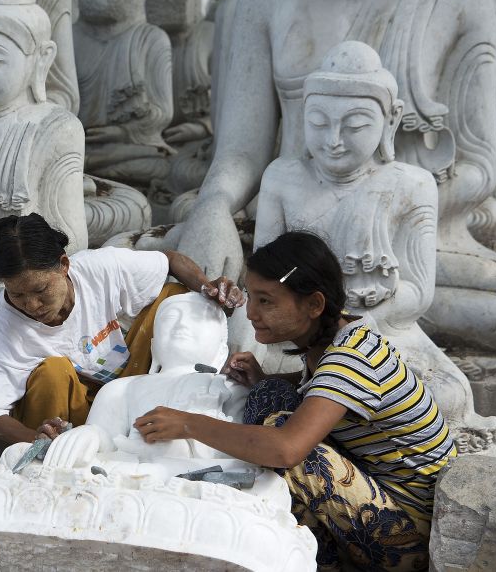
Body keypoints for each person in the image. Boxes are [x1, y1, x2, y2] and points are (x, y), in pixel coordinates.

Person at [135, 231, 455, 572]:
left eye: (266, 301)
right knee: (269, 396)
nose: (251, 313)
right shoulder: (334, 341)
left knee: (292, 447)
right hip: (382, 492)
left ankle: (322, 561)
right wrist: (264, 381)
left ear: (314, 304)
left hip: (412, 533)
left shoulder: (350, 359)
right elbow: (320, 390)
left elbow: (288, 449)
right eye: (252, 298)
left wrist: (188, 423)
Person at [0, 213, 243, 446]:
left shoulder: (100, 267)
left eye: (40, 290)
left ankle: (173, 398)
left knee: (172, 296)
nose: (32, 305)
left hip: (130, 378)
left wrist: (208, 288)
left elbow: (170, 261)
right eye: (17, 295)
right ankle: (57, 452)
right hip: (69, 414)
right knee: (52, 372)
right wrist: (36, 439)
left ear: (64, 265)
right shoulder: (2, 323)